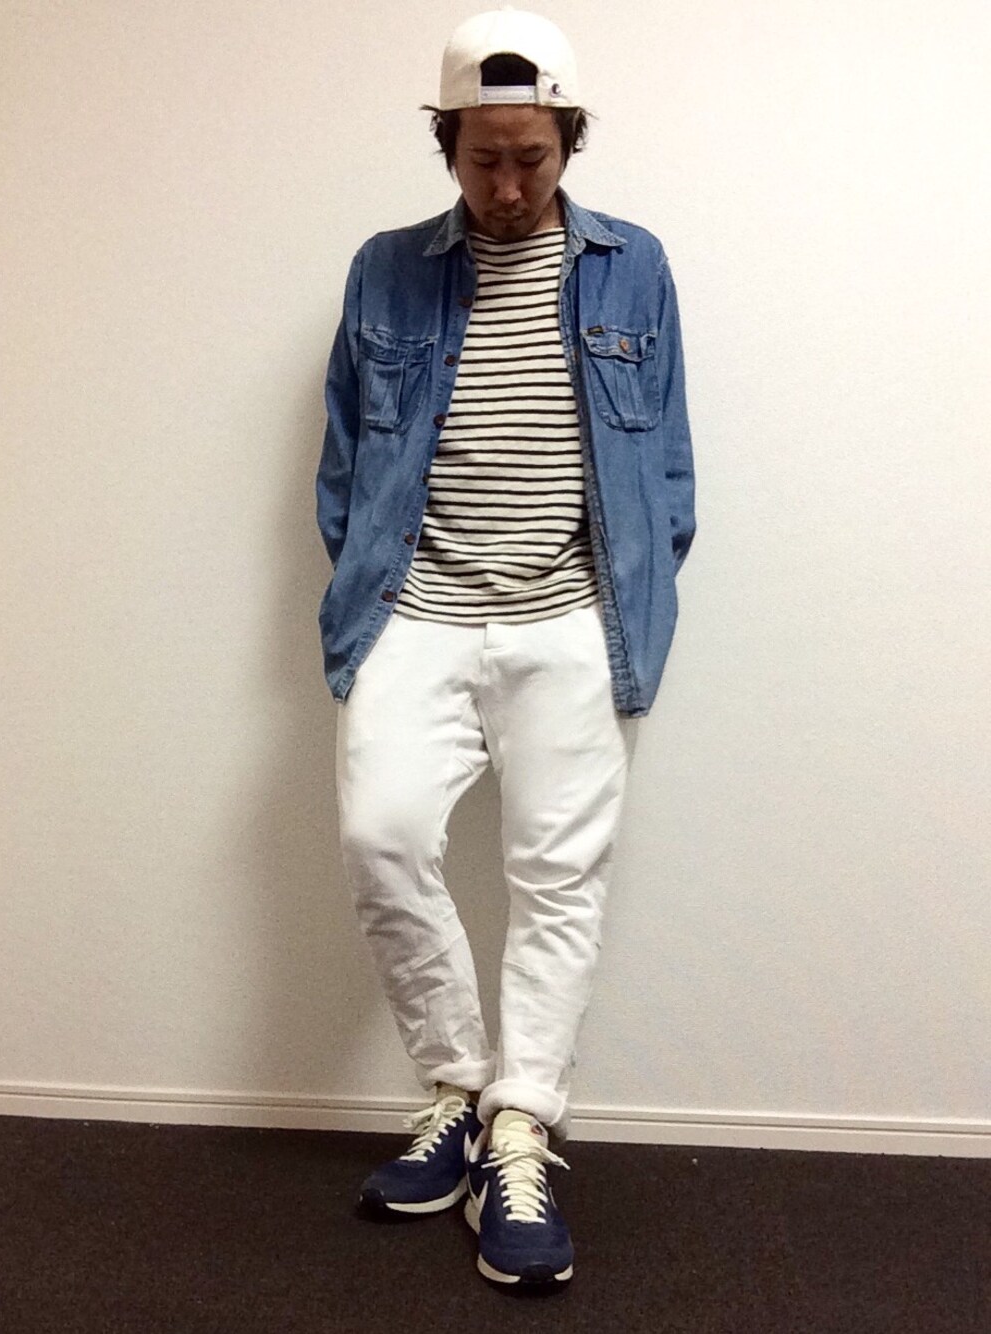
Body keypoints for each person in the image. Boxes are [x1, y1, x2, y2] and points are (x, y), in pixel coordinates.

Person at [316, 6, 695, 1291]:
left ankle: (522, 1122)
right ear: (448, 146)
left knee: (557, 875)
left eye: (531, 156)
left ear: (567, 140)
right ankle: (456, 1087)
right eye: (483, 158)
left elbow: (666, 464)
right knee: (382, 834)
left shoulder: (633, 266)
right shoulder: (385, 269)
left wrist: (625, 595)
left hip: (570, 616)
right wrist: (372, 590)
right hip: (416, 608)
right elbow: (345, 457)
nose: (508, 184)